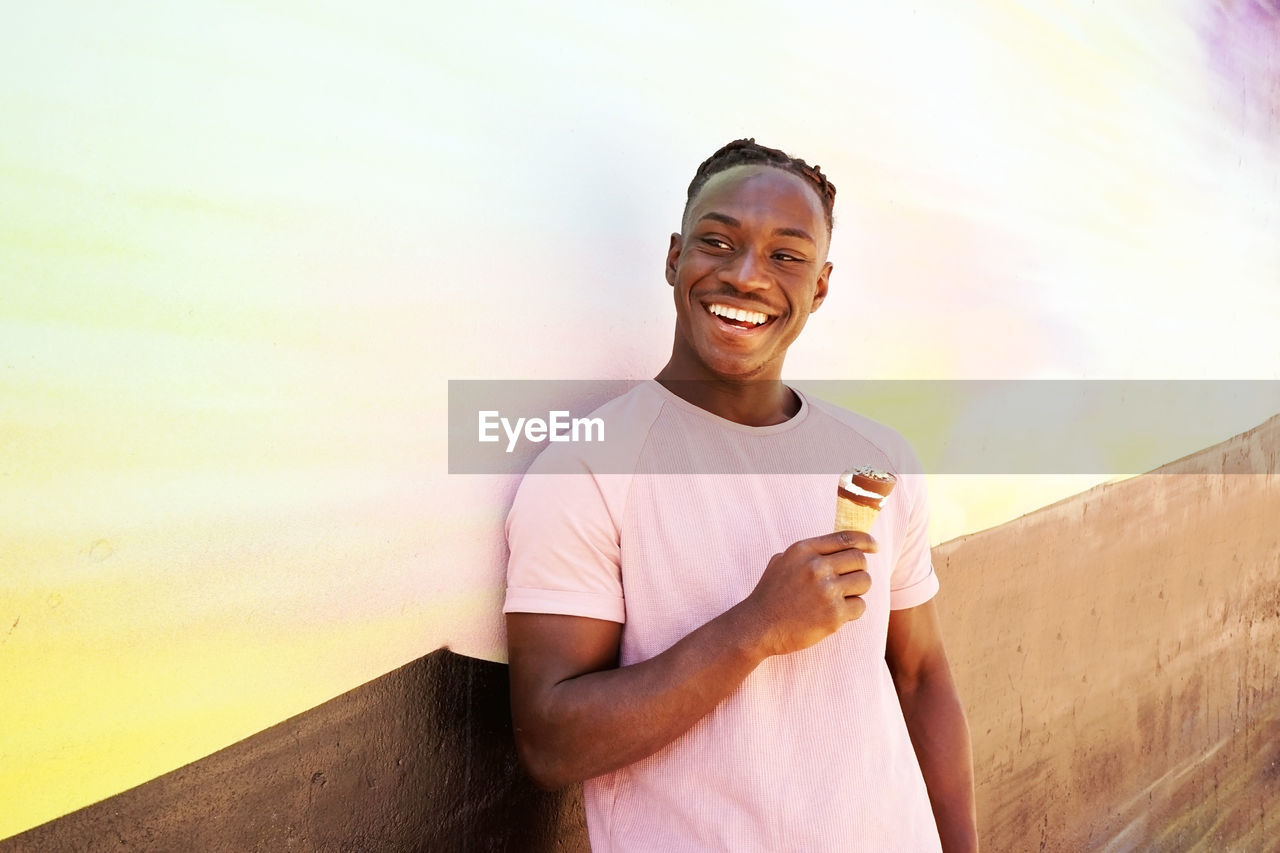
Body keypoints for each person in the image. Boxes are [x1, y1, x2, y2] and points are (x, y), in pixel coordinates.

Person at [504, 139, 978, 852]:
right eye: (718, 242)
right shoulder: (588, 471)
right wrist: (753, 628)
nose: (747, 274)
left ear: (819, 286)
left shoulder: (878, 461)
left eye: (787, 254)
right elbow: (551, 743)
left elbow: (919, 676)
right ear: (674, 258)